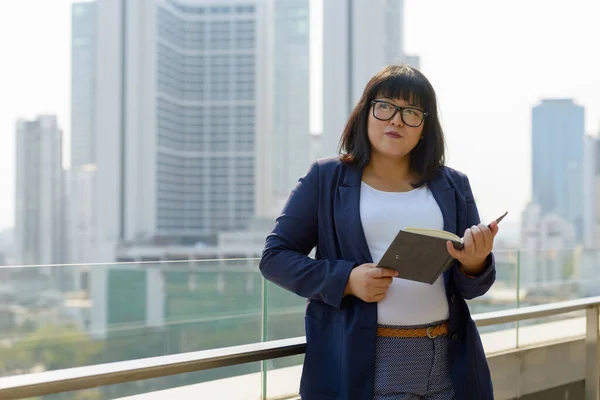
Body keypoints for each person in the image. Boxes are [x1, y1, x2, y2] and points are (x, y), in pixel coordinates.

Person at [259, 64, 498, 400]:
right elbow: (274, 258)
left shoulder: (452, 185)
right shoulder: (326, 178)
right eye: (385, 106)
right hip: (366, 358)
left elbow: (472, 287)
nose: (396, 120)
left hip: (449, 355)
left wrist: (474, 263)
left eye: (411, 112)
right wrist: (347, 280)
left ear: (425, 127)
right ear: (366, 113)